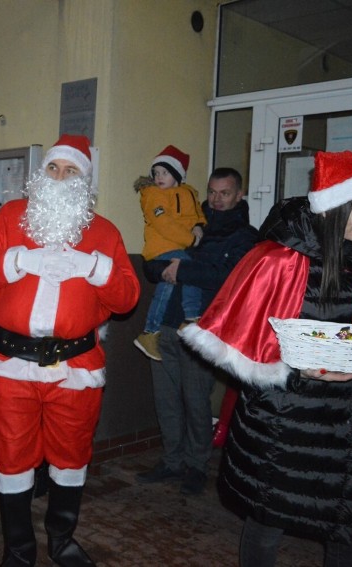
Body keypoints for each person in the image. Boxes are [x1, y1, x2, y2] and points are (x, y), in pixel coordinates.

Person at [179, 148, 352, 566]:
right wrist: (296, 374)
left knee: (350, 530)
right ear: (334, 206)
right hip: (284, 422)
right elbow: (245, 346)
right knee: (268, 523)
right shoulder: (279, 260)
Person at [0, 134, 140, 567]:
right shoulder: (10, 218)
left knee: (72, 455)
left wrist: (94, 268)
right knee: (11, 456)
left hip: (75, 367)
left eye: (71, 170)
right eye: (53, 169)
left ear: (85, 179)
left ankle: (62, 542)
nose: (60, 177)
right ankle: (19, 551)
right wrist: (18, 260)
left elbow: (127, 298)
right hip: (11, 364)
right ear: (41, 176)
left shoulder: (103, 231)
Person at [134, 167, 258, 495]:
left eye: (225, 193)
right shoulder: (191, 219)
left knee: (196, 400)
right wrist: (169, 268)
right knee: (166, 400)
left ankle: (196, 465)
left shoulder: (244, 235)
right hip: (164, 324)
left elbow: (229, 278)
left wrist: (184, 270)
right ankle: (172, 461)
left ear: (239, 195)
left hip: (202, 329)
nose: (216, 199)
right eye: (212, 192)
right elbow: (152, 264)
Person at [133, 145, 206, 361]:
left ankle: (150, 332)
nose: (158, 178)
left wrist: (200, 225)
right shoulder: (152, 195)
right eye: (155, 173)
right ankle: (191, 318)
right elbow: (162, 222)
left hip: (179, 248)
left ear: (176, 175)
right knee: (187, 270)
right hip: (161, 249)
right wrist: (190, 240)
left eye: (164, 173)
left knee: (168, 284)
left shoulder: (188, 193)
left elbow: (196, 214)